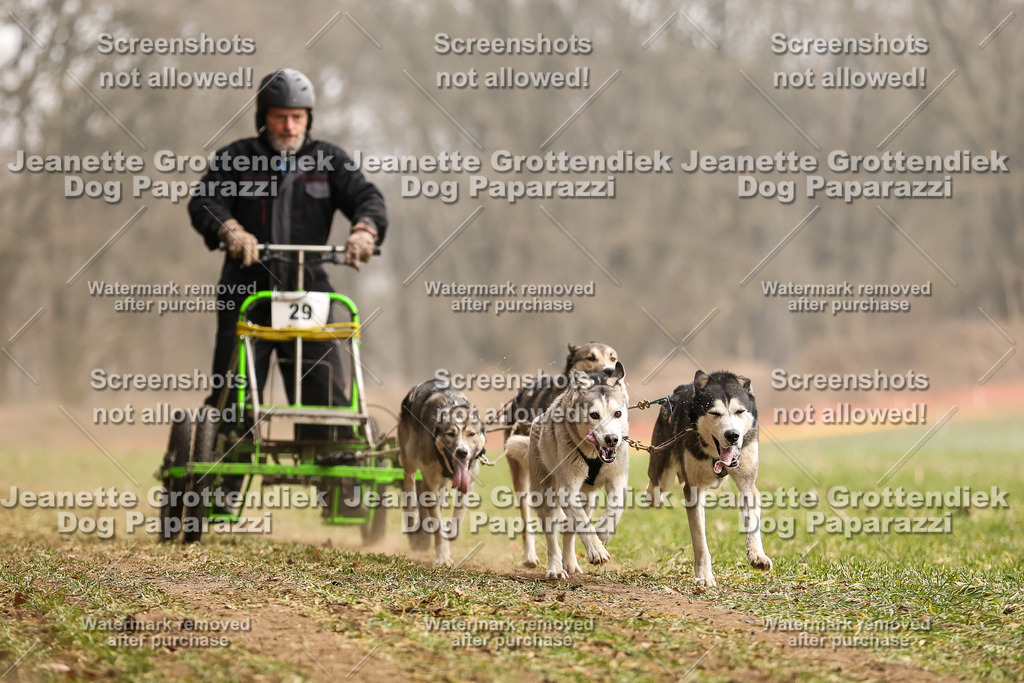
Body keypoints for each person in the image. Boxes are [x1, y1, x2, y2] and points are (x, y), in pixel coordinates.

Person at [188, 68, 387, 452]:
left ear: (309, 118)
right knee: (234, 393)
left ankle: (335, 479)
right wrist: (230, 229)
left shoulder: (329, 161)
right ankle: (223, 486)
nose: (289, 125)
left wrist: (365, 230)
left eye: (298, 116)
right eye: (280, 116)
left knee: (325, 387)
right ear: (264, 116)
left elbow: (368, 198)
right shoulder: (236, 159)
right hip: (247, 287)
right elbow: (204, 202)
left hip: (308, 287)